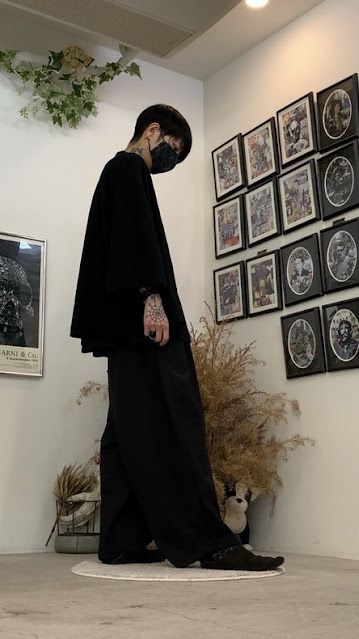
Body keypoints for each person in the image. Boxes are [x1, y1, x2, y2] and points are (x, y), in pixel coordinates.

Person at [71, 104, 284, 572]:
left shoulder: (113, 172)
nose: (172, 158)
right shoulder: (129, 168)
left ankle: (120, 540)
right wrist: (152, 298)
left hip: (123, 331)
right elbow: (133, 237)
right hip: (144, 324)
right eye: (173, 147)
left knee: (128, 430)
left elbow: (117, 244)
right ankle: (213, 545)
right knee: (176, 420)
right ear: (152, 130)